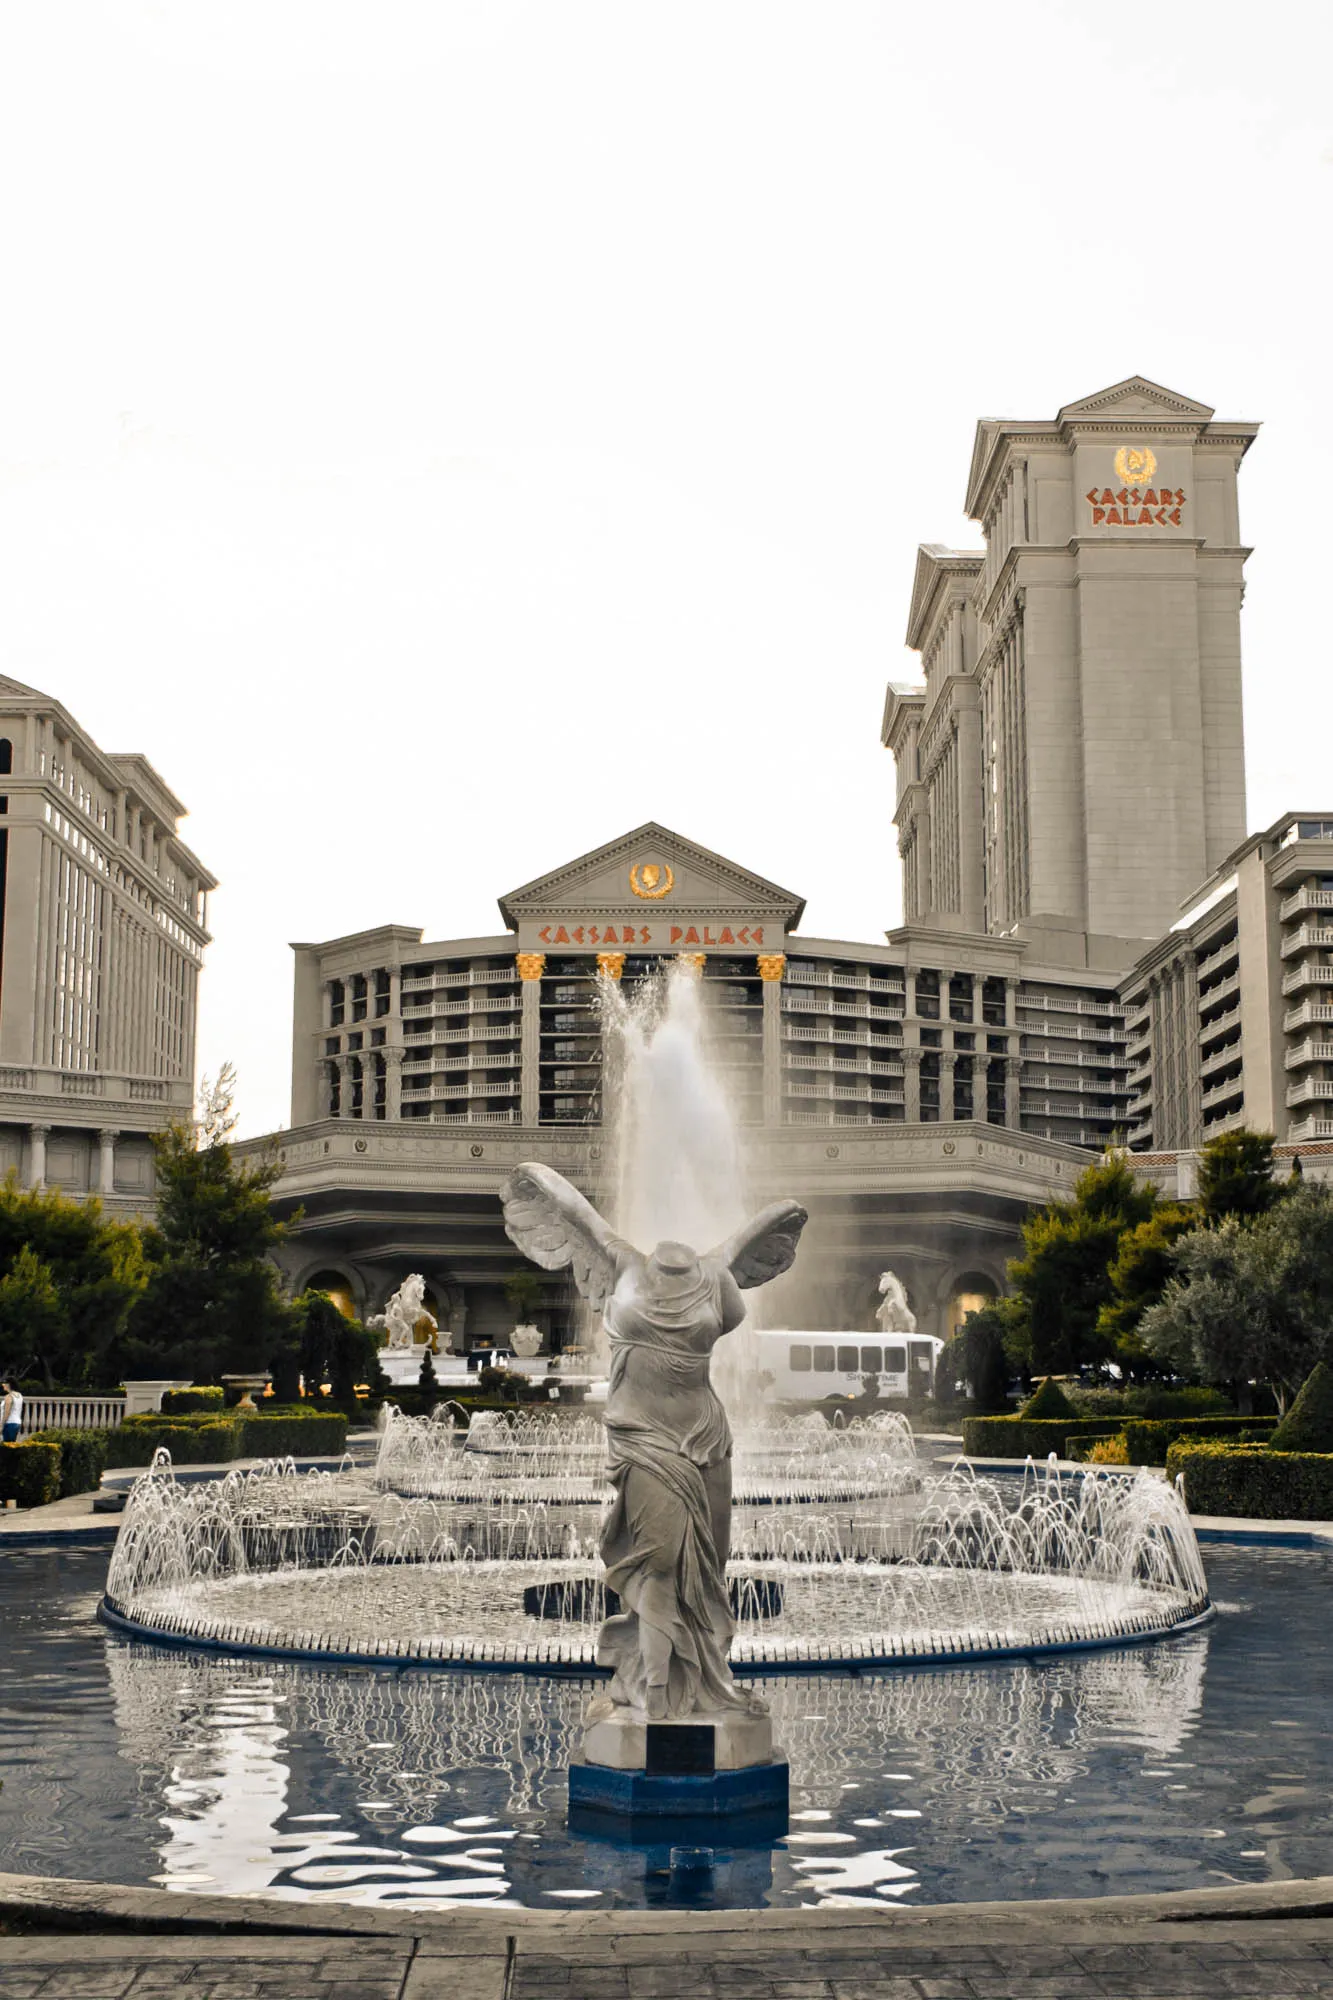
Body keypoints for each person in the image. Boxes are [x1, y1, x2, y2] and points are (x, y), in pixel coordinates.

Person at [1, 1378, 23, 1443]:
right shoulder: (19, 1395)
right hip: (17, 1422)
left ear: (9, 1385)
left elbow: (7, 1412)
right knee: (12, 1444)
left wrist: (1, 1425)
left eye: (4, 1383)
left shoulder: (9, 1397)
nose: (3, 1385)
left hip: (9, 1423)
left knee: (7, 1445)